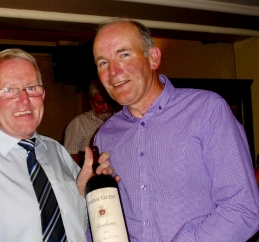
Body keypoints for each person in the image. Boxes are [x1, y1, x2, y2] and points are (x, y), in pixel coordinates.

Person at [92, 19, 259, 241]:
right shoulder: (105, 136)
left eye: (124, 55)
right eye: (102, 63)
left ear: (153, 58)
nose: (113, 71)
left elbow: (243, 210)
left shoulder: (207, 110)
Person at [0, 48, 114, 242]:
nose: (24, 100)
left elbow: (74, 225)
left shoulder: (55, 151)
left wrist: (83, 191)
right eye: (8, 91)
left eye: (32, 88)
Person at [64, 79, 114, 165]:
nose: (106, 108)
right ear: (91, 103)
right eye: (100, 103)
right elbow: (69, 158)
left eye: (108, 102)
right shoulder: (78, 124)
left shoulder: (122, 119)